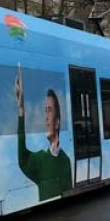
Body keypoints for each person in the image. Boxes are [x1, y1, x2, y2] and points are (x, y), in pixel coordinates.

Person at [15, 67, 72, 201]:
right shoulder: (39, 159)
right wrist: (21, 109)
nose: (45, 117)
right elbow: (22, 159)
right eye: (45, 111)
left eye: (49, 111)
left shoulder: (66, 161)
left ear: (57, 122)